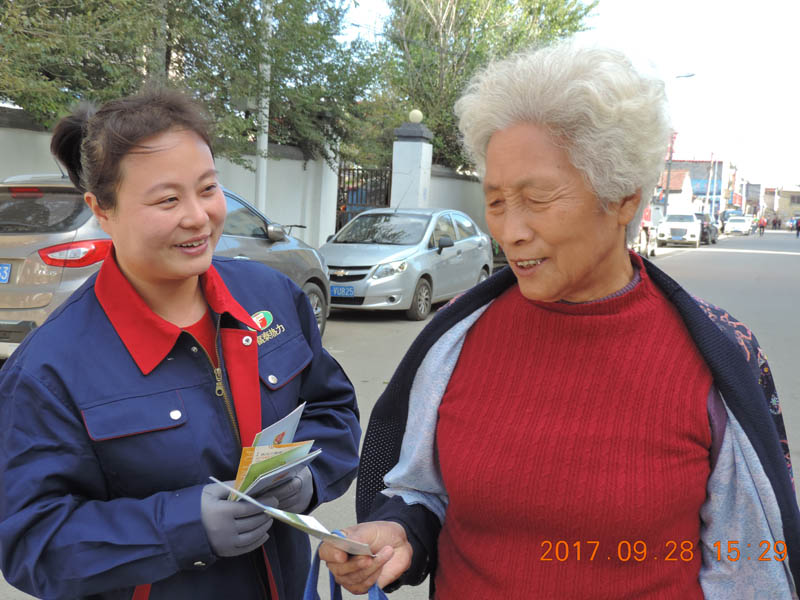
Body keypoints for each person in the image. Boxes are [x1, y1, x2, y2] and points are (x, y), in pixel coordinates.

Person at [319, 42, 800, 598]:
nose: (510, 232)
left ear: (624, 199)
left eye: (538, 199)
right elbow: (425, 491)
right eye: (496, 202)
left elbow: (749, 563)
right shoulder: (456, 336)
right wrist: (400, 530)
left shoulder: (717, 354)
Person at [0, 89, 361, 600]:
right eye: (167, 200)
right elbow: (32, 543)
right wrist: (180, 526)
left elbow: (333, 409)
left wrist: (309, 477)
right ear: (102, 210)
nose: (197, 216)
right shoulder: (49, 370)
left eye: (208, 188)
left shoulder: (271, 298)